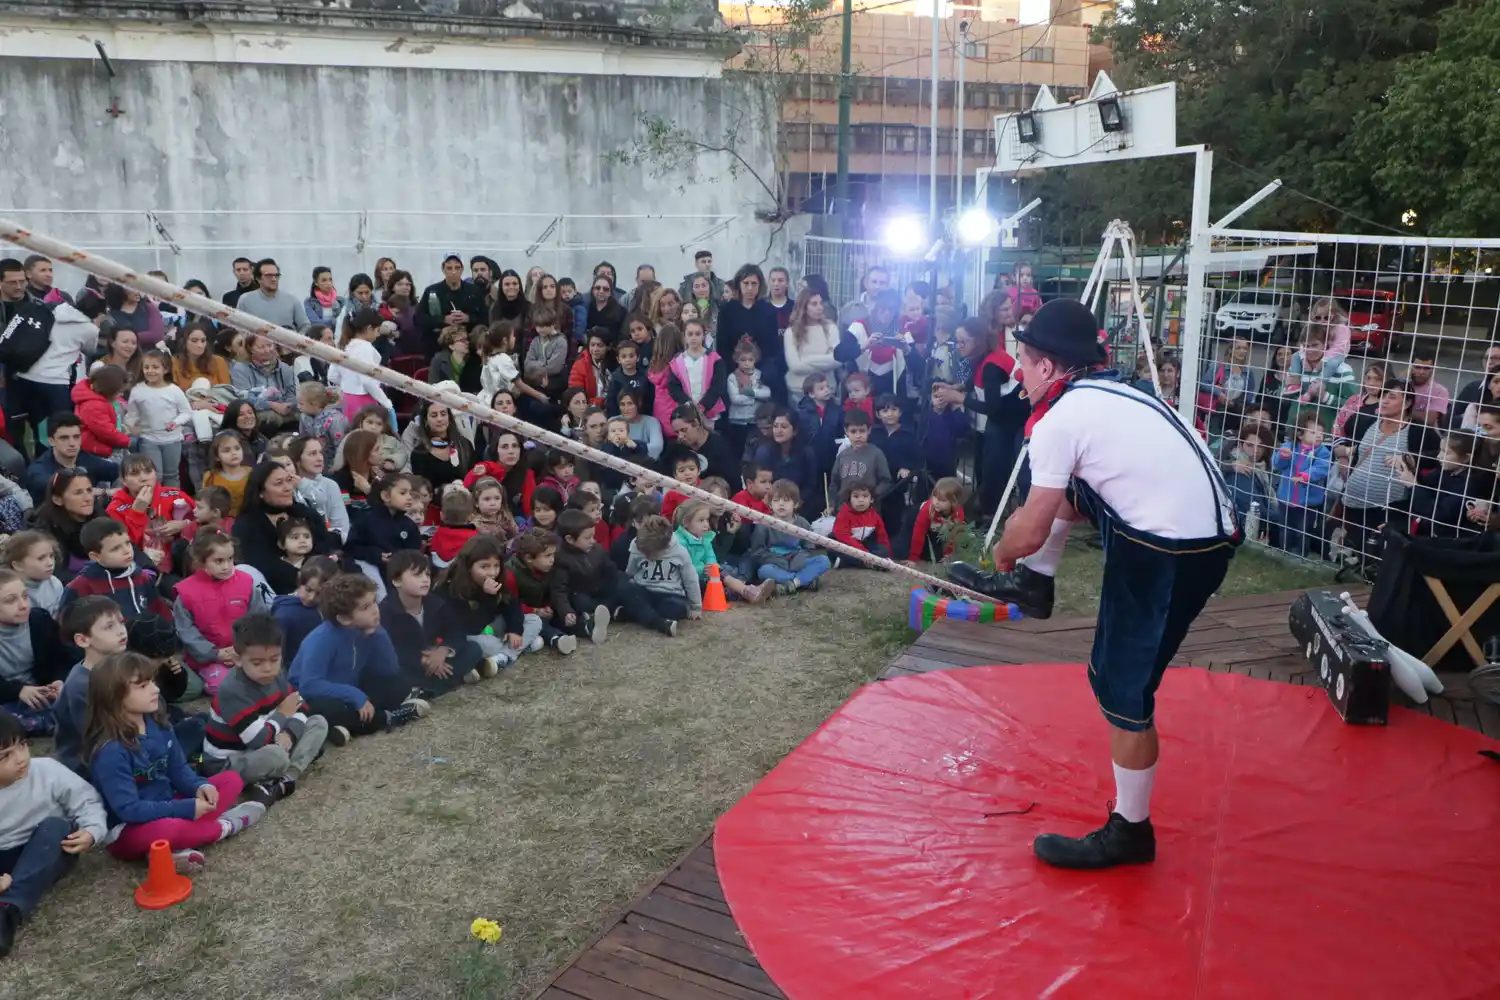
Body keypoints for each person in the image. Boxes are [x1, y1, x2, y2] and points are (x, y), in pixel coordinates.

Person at [949, 298, 1239, 870]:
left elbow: (1028, 529)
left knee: (1121, 691)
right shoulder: (1120, 392)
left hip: (1168, 550)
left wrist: (1003, 558)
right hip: (1204, 534)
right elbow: (1070, 498)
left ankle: (1131, 831)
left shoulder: (1061, 419)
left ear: (1051, 368)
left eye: (1025, 362)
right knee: (1072, 490)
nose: (1017, 373)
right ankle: (1038, 587)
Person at [85, 651, 267, 868]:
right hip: (129, 829)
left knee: (231, 781)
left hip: (169, 802)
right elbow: (129, 809)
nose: (156, 689)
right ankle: (226, 826)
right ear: (114, 696)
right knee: (168, 829)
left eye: (152, 681)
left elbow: (179, 769)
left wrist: (200, 786)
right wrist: (186, 809)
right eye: (142, 686)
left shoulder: (158, 723)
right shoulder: (111, 751)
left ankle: (169, 850)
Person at [0, 708, 106, 958]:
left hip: (51, 848)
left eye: (23, 745)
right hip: (5, 857)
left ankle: (8, 909)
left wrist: (92, 831)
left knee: (56, 826)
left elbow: (86, 800)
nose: (21, 758)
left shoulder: (46, 770)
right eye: (5, 755)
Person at [203, 612, 336, 802]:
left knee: (318, 722)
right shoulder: (232, 690)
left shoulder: (276, 674)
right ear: (238, 659)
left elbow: (301, 706)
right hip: (230, 760)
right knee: (275, 755)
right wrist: (283, 713)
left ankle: (287, 777)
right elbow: (257, 740)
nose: (267, 668)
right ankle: (281, 770)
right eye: (257, 662)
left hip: (269, 739)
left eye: (274, 659)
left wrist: (289, 733)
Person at [288, 573, 430, 737]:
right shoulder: (321, 639)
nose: (375, 610)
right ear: (344, 618)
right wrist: (354, 695)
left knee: (398, 683)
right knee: (326, 710)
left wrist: (378, 633)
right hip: (317, 697)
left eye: (373, 602)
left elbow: (388, 669)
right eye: (365, 608)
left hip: (352, 689)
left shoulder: (366, 631)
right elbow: (309, 685)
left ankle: (345, 728)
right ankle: (387, 718)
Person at [380, 551, 494, 696]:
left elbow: (455, 631)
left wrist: (443, 651)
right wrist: (424, 660)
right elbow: (390, 650)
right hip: (410, 664)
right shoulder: (386, 611)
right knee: (395, 675)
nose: (425, 580)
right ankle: (451, 679)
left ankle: (428, 689)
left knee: (473, 648)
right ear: (397, 581)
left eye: (427, 575)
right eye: (417, 575)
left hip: (437, 656)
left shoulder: (434, 602)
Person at [172, 531, 270, 696]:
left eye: (230, 559)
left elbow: (259, 618)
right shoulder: (186, 592)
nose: (226, 566)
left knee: (266, 676)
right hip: (208, 657)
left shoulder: (247, 582)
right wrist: (214, 654)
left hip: (244, 651)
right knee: (226, 687)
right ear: (201, 561)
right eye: (218, 561)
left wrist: (245, 648)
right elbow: (186, 631)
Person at [7, 295, 101, 457]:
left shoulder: (54, 310)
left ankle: (29, 464)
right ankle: (51, 463)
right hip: (55, 383)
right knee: (58, 427)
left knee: (28, 427)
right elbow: (90, 350)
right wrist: (96, 326)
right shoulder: (89, 329)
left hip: (25, 376)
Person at [233, 460, 339, 596]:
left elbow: (325, 544)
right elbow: (261, 564)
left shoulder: (305, 513)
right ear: (260, 491)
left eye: (289, 481)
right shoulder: (247, 524)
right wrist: (303, 578)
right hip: (276, 591)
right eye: (279, 483)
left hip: (321, 580)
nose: (288, 488)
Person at [747, 480, 831, 593]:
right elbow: (758, 552)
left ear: (795, 504)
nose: (781, 504)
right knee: (764, 571)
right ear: (771, 504)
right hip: (776, 564)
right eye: (776, 500)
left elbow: (809, 547)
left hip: (797, 563)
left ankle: (792, 584)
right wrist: (779, 561)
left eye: (786, 500)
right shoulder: (764, 524)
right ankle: (802, 581)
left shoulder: (803, 523)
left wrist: (798, 560)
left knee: (824, 561)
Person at [125, 351, 192, 487]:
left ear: (165, 369)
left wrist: (175, 422)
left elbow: (187, 412)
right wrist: (129, 428)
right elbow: (132, 414)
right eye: (147, 367)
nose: (150, 371)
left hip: (173, 440)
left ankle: (173, 503)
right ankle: (154, 505)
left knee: (172, 474)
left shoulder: (174, 390)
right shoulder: (138, 390)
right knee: (155, 476)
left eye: (155, 367)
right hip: (149, 439)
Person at [24, 413, 118, 504]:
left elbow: (119, 470)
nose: (72, 443)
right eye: (64, 438)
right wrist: (105, 492)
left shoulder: (85, 458)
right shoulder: (38, 469)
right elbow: (63, 487)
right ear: (51, 441)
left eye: (76, 437)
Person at [626, 514, 701, 622]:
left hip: (670, 595)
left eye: (651, 553)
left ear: (664, 547)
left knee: (675, 609)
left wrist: (696, 606)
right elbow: (630, 572)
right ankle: (649, 616)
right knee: (629, 594)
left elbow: (691, 580)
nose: (648, 556)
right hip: (644, 590)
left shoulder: (680, 552)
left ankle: (642, 614)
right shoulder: (637, 545)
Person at [331, 308, 396, 423]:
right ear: (369, 328)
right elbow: (367, 380)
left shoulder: (343, 345)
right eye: (377, 330)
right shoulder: (365, 347)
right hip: (363, 400)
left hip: (347, 399)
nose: (378, 334)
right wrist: (386, 403)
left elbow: (332, 376)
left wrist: (349, 384)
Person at [271, 557, 338, 664]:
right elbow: (276, 655)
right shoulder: (285, 614)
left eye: (320, 594)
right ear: (299, 578)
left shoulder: (334, 611)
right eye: (308, 589)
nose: (311, 597)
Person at [230, 334, 299, 431]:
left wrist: (288, 405)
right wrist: (272, 405)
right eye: (261, 347)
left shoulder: (285, 368)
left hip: (284, 411)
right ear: (250, 348)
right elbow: (244, 397)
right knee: (268, 418)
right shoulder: (240, 368)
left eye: (270, 345)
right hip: (257, 412)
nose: (267, 350)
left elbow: (291, 393)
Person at [783, 289, 841, 402]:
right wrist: (825, 361)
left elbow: (837, 359)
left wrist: (808, 359)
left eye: (820, 303)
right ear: (803, 307)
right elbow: (796, 366)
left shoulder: (831, 328)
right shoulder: (791, 332)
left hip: (827, 391)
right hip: (799, 392)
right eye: (814, 304)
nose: (820, 307)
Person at [418, 254, 486, 348]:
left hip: (468, 347)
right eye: (449, 268)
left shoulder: (474, 291)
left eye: (457, 268)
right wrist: (443, 320)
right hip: (438, 346)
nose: (453, 272)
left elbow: (485, 318)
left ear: (462, 269)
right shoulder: (432, 291)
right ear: (443, 270)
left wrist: (468, 318)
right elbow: (418, 319)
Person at [670, 404, 742, 493]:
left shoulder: (719, 446)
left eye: (684, 430)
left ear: (696, 423)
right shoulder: (677, 448)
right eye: (677, 432)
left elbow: (734, 483)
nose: (680, 436)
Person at [71, 365, 131, 462]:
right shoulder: (93, 405)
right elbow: (105, 431)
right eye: (119, 392)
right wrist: (127, 441)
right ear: (109, 389)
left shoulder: (98, 401)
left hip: (101, 447)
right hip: (96, 450)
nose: (121, 395)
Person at [233, 259, 309, 332]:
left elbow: (305, 326)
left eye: (276, 275)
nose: (274, 279)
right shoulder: (245, 300)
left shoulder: (292, 299)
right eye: (268, 275)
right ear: (258, 279)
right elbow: (239, 327)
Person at [906, 476, 967, 563]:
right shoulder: (927, 509)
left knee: (938, 557)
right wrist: (913, 558)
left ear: (954, 502)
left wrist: (947, 556)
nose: (936, 502)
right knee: (903, 550)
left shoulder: (958, 513)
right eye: (934, 497)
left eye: (942, 500)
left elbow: (953, 536)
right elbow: (918, 534)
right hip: (915, 521)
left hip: (936, 529)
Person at [6, 532, 64, 617]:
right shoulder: (8, 592)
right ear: (18, 565)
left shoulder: (55, 583)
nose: (50, 563)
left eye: (51, 556)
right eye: (41, 558)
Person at [832, 484, 892, 563]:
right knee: (833, 550)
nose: (861, 500)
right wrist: (863, 552)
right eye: (856, 497)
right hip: (847, 545)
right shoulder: (844, 513)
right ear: (849, 499)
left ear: (872, 499)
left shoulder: (874, 516)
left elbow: (882, 536)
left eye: (865, 496)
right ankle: (871, 563)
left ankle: (851, 562)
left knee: (883, 550)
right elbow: (843, 536)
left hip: (864, 545)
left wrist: (888, 555)